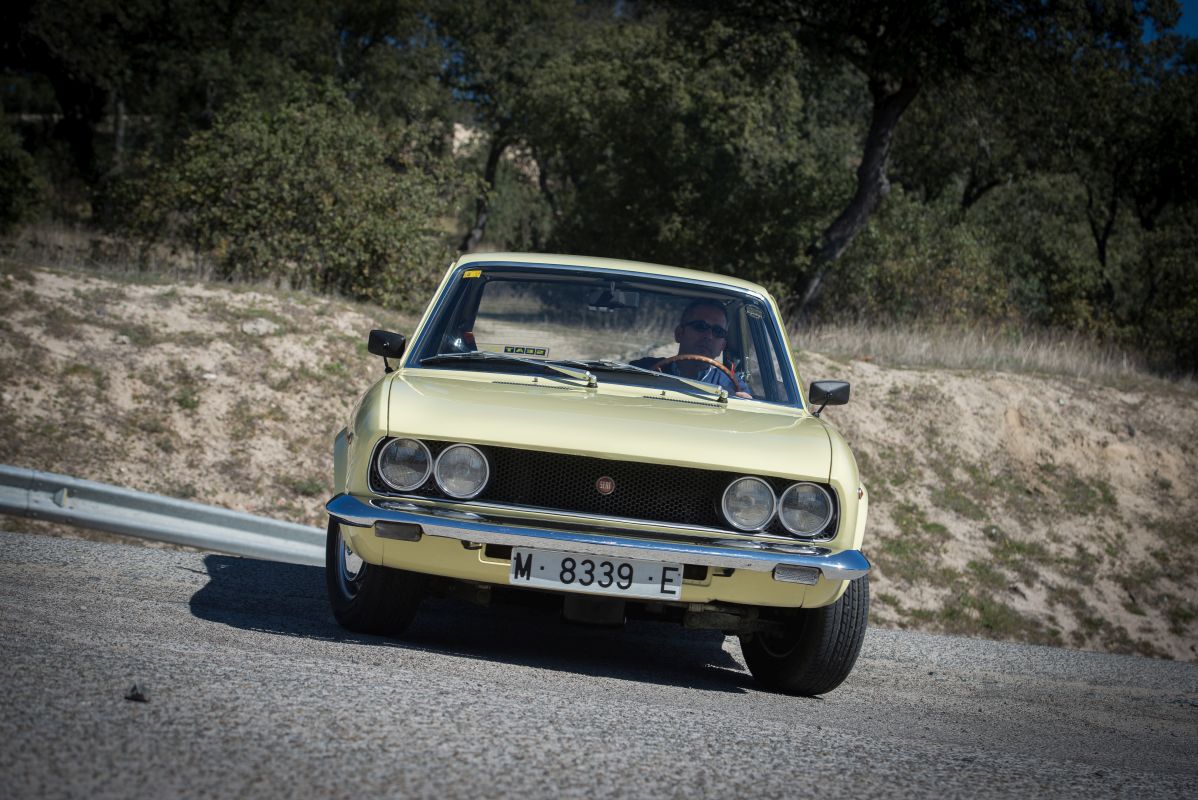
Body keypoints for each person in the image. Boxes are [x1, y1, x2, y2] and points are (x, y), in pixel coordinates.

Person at [632, 299, 751, 397]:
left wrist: (744, 404)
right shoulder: (643, 370)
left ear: (722, 346)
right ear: (679, 333)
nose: (709, 336)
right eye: (700, 326)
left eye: (718, 332)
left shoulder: (732, 385)